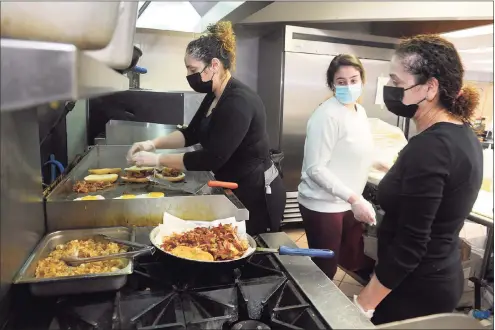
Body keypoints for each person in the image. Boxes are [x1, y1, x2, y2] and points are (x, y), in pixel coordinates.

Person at [355, 34, 483, 324]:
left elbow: (411, 244)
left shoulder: (431, 148)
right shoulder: (462, 134)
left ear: (429, 88)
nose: (391, 89)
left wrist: (364, 303)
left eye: (397, 82)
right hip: (435, 276)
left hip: (414, 287)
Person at [126, 21, 286, 235]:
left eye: (193, 69)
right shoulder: (214, 94)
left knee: (250, 251)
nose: (189, 75)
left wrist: (157, 160)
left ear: (214, 65)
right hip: (231, 185)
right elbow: (190, 133)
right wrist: (152, 143)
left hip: (255, 193)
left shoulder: (238, 102)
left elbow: (211, 158)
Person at [298, 54, 376, 281]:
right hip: (323, 205)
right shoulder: (326, 115)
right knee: (324, 270)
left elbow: (351, 148)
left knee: (350, 259)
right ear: (332, 85)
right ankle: (314, 311)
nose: (349, 86)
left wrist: (373, 161)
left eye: (354, 79)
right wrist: (355, 199)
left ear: (362, 80)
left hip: (348, 201)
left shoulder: (359, 111)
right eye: (341, 82)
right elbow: (315, 168)